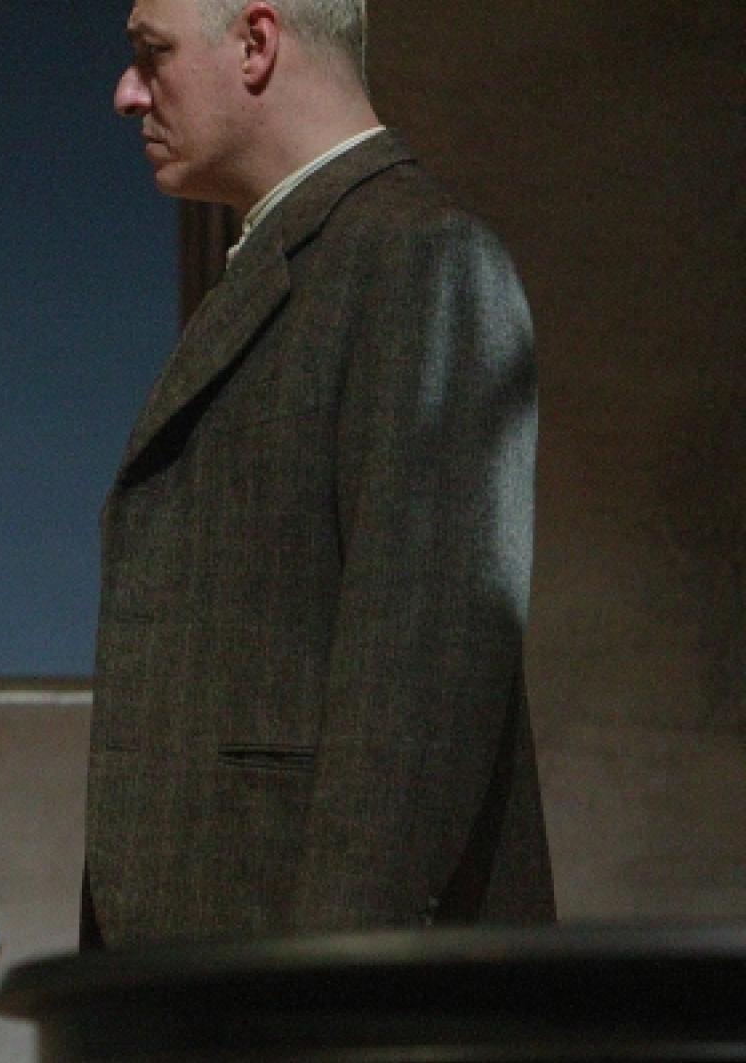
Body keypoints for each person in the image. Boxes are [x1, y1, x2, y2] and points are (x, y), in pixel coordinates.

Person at [82, 0, 555, 946]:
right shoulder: (303, 255)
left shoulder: (422, 257)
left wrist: (330, 986)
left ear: (257, 44)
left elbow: (422, 684)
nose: (128, 93)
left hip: (321, 985)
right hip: (221, 971)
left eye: (153, 53)